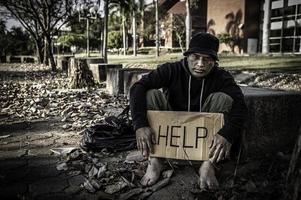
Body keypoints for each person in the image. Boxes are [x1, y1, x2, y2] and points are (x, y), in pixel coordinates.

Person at [129, 32, 248, 189]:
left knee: (223, 98)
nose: (200, 64)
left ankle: (209, 165)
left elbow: (241, 106)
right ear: (187, 56)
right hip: (171, 136)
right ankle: (156, 160)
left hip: (203, 142)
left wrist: (227, 133)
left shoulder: (221, 77)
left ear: (214, 61)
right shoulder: (171, 70)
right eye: (195, 57)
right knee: (151, 94)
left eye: (207, 59)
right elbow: (138, 87)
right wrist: (140, 124)